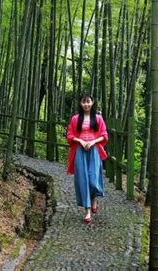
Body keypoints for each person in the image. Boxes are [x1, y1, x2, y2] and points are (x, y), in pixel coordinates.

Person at [66, 93, 109, 223]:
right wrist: (81, 141)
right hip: (80, 150)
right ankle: (87, 211)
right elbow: (69, 135)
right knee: (83, 180)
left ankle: (94, 198)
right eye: (84, 102)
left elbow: (104, 135)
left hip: (94, 150)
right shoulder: (75, 119)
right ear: (80, 103)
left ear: (93, 102)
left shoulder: (98, 118)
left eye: (88, 101)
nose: (86, 104)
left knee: (93, 179)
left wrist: (93, 142)